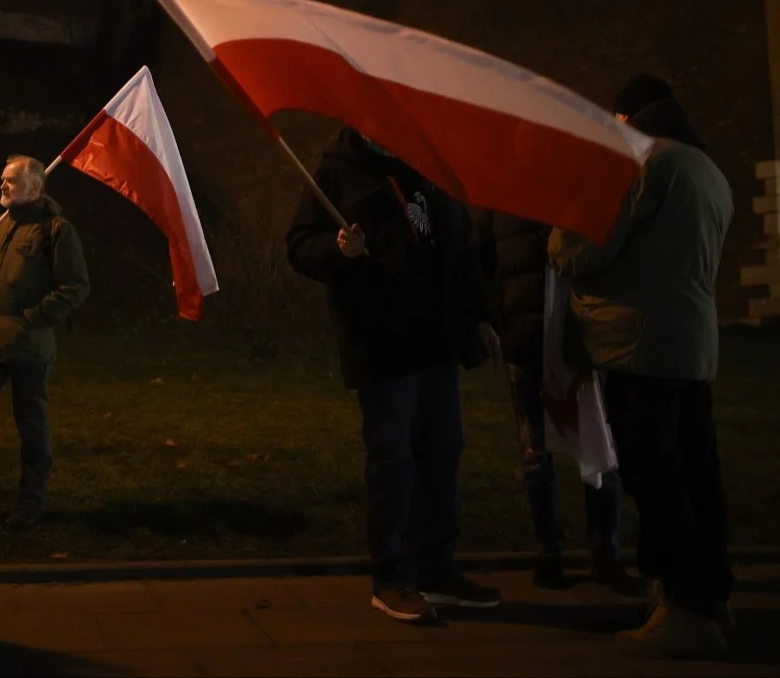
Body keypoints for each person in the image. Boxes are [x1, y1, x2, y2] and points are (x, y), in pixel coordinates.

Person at [549, 75, 734, 660]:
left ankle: (682, 607)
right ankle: (709, 594)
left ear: (629, 118)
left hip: (639, 343)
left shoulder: (646, 164)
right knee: (698, 473)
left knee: (657, 477)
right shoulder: (710, 171)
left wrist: (564, 216)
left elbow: (580, 248)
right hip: (692, 343)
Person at [286, 129, 503, 624]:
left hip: (437, 341)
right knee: (394, 459)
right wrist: (338, 250)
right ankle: (392, 577)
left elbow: (459, 249)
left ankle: (437, 569)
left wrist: (480, 315)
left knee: (442, 453)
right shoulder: (338, 172)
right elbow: (300, 244)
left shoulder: (427, 165)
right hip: (383, 342)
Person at [476, 210, 636, 594]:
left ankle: (605, 553)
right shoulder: (500, 205)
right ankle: (549, 552)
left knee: (598, 447)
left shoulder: (574, 196)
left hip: (581, 341)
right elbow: (484, 265)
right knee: (536, 453)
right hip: (527, 339)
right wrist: (499, 317)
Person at [0, 155, 90, 529]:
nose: (3, 187)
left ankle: (31, 501)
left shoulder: (56, 231)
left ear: (35, 188)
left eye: (11, 181)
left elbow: (73, 287)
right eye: (2, 180)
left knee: (31, 424)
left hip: (28, 346)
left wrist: (33, 319)